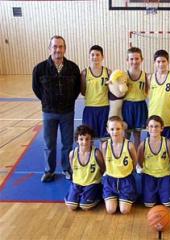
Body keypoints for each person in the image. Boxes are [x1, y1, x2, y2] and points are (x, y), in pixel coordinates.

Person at [32, 35, 81, 182]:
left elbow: (77, 88)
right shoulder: (39, 69)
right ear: (49, 48)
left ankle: (67, 168)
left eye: (60, 47)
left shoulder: (73, 67)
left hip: (67, 112)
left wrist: (68, 101)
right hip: (49, 113)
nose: (57, 49)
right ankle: (49, 170)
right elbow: (36, 88)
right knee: (49, 144)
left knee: (67, 143)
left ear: (64, 49)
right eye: (54, 46)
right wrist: (48, 101)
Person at [137, 115, 170, 207]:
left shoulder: (167, 143)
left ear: (162, 128)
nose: (154, 129)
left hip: (164, 175)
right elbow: (139, 162)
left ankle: (167, 189)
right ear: (147, 128)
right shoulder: (143, 145)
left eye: (156, 126)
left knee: (168, 203)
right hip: (149, 175)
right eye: (151, 126)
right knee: (148, 204)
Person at [101, 116, 137, 214]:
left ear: (123, 129)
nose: (115, 132)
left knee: (124, 210)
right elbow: (105, 162)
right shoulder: (105, 146)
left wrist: (128, 172)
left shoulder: (129, 145)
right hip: (110, 180)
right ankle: (114, 197)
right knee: (110, 210)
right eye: (112, 129)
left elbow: (135, 162)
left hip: (126, 181)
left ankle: (124, 196)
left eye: (118, 129)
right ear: (107, 130)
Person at [65, 125, 105, 210]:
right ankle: (75, 194)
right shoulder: (72, 154)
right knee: (71, 206)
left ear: (91, 140)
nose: (84, 142)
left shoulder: (96, 153)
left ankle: (98, 193)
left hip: (92, 183)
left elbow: (103, 169)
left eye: (87, 139)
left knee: (85, 206)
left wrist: (96, 179)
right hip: (77, 183)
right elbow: (73, 169)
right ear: (77, 140)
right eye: (81, 139)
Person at [80, 45, 111, 140]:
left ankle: (103, 155)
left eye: (98, 55)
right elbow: (83, 91)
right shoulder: (84, 73)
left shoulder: (108, 72)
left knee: (104, 139)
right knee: (88, 138)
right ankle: (91, 155)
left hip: (104, 108)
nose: (95, 57)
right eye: (92, 55)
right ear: (89, 57)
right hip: (90, 109)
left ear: (102, 57)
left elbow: (112, 91)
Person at [147, 49, 170, 142]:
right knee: (153, 145)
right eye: (158, 61)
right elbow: (149, 94)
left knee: (169, 146)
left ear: (168, 62)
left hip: (167, 117)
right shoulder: (150, 77)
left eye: (163, 61)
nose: (161, 64)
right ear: (154, 63)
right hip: (153, 117)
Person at [122, 47, 148, 150]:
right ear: (127, 60)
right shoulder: (123, 75)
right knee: (126, 134)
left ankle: (137, 160)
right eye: (131, 59)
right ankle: (126, 156)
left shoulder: (145, 76)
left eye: (137, 58)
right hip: (127, 106)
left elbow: (147, 90)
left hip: (140, 106)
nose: (134, 61)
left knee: (137, 135)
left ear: (141, 59)